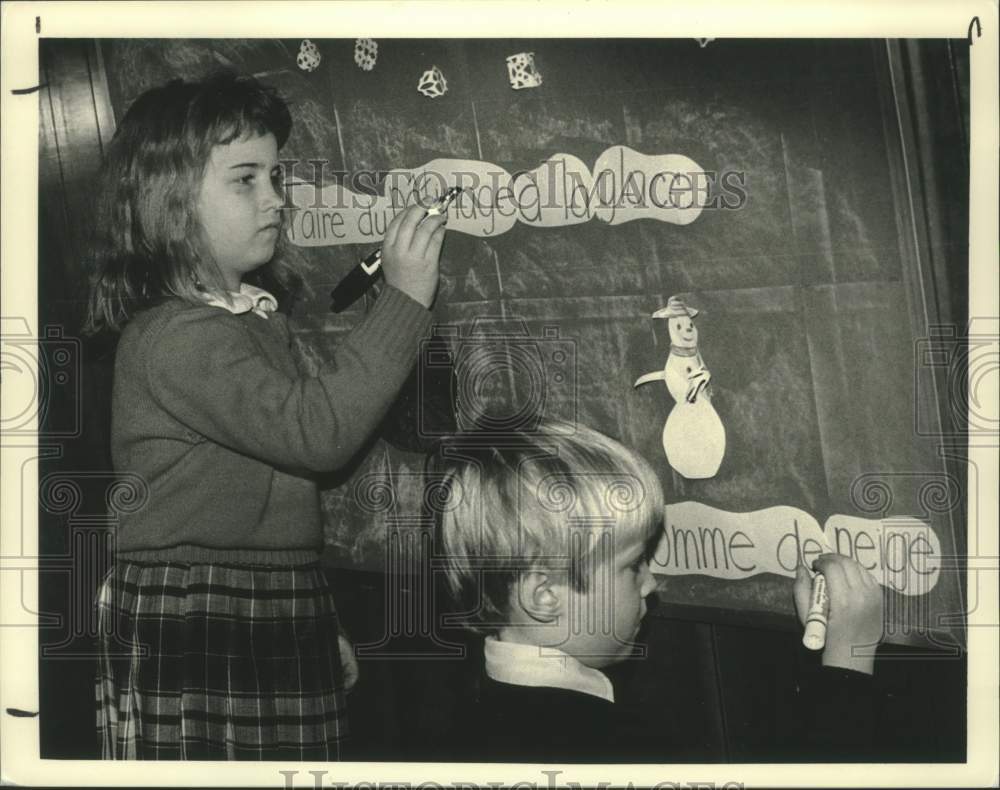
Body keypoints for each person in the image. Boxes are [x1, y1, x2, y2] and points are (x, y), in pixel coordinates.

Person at [84, 71, 447, 760]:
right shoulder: (175, 337)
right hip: (199, 606)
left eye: (276, 177)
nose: (275, 200)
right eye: (245, 180)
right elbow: (317, 435)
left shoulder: (249, 320)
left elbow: (278, 494)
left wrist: (317, 619)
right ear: (169, 202)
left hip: (270, 596)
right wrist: (402, 301)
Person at [431, 422, 884, 762]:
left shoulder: (473, 715)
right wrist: (848, 661)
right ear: (544, 595)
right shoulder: (604, 746)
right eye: (632, 566)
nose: (650, 582)